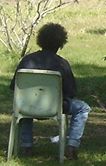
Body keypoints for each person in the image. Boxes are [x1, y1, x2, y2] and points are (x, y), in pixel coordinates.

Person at [12, 22, 91, 158]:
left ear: (40, 40)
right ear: (61, 43)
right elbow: (71, 92)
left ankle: (26, 146)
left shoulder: (27, 60)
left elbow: (15, 87)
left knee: (23, 101)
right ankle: (71, 146)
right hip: (54, 106)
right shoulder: (62, 64)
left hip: (26, 106)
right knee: (83, 108)